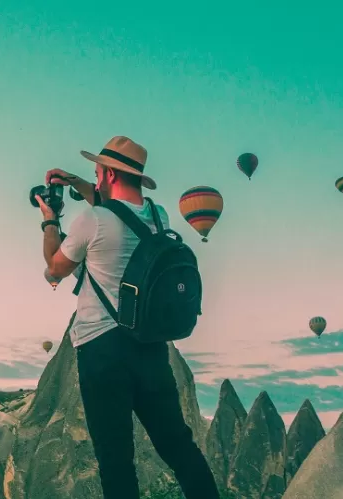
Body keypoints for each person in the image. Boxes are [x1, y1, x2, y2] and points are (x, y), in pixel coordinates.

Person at [35, 136, 220, 499]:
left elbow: (55, 269)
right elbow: (117, 210)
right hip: (151, 346)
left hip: (102, 350)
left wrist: (50, 220)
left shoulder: (93, 220)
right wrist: (76, 182)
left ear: (109, 174)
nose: (96, 178)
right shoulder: (158, 217)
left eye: (98, 172)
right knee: (178, 446)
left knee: (115, 459)